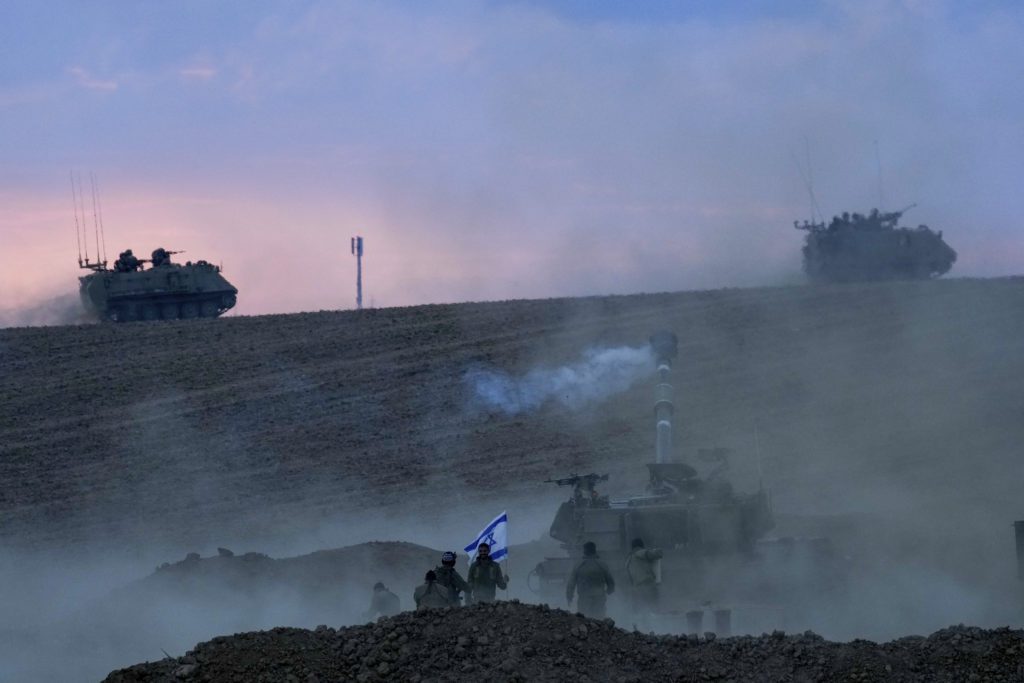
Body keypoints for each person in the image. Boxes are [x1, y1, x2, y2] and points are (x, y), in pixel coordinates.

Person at [566, 541, 615, 619]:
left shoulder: (578, 565)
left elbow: (571, 583)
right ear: (595, 550)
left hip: (584, 599)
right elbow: (610, 581)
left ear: (584, 551)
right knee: (599, 621)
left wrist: (569, 596)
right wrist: (609, 591)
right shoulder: (602, 564)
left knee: (584, 621)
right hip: (599, 598)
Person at [625, 538, 663, 624]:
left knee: (641, 615)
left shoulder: (628, 560)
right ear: (640, 546)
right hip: (648, 587)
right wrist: (658, 550)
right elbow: (655, 554)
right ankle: (656, 632)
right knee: (653, 613)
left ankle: (643, 633)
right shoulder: (640, 552)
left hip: (636, 590)